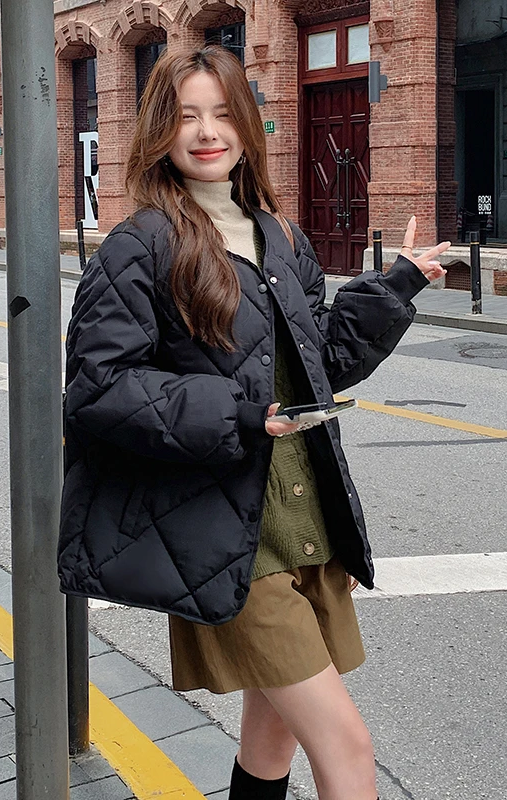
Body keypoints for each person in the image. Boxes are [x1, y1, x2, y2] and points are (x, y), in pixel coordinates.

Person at [59, 45, 449, 800]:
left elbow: (323, 359)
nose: (206, 132)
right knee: (348, 748)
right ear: (160, 133)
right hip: (228, 529)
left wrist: (397, 286)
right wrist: (232, 415)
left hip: (305, 517)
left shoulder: (281, 237)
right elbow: (100, 388)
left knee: (270, 736)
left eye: (221, 113)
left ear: (247, 125)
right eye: (185, 116)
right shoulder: (140, 245)